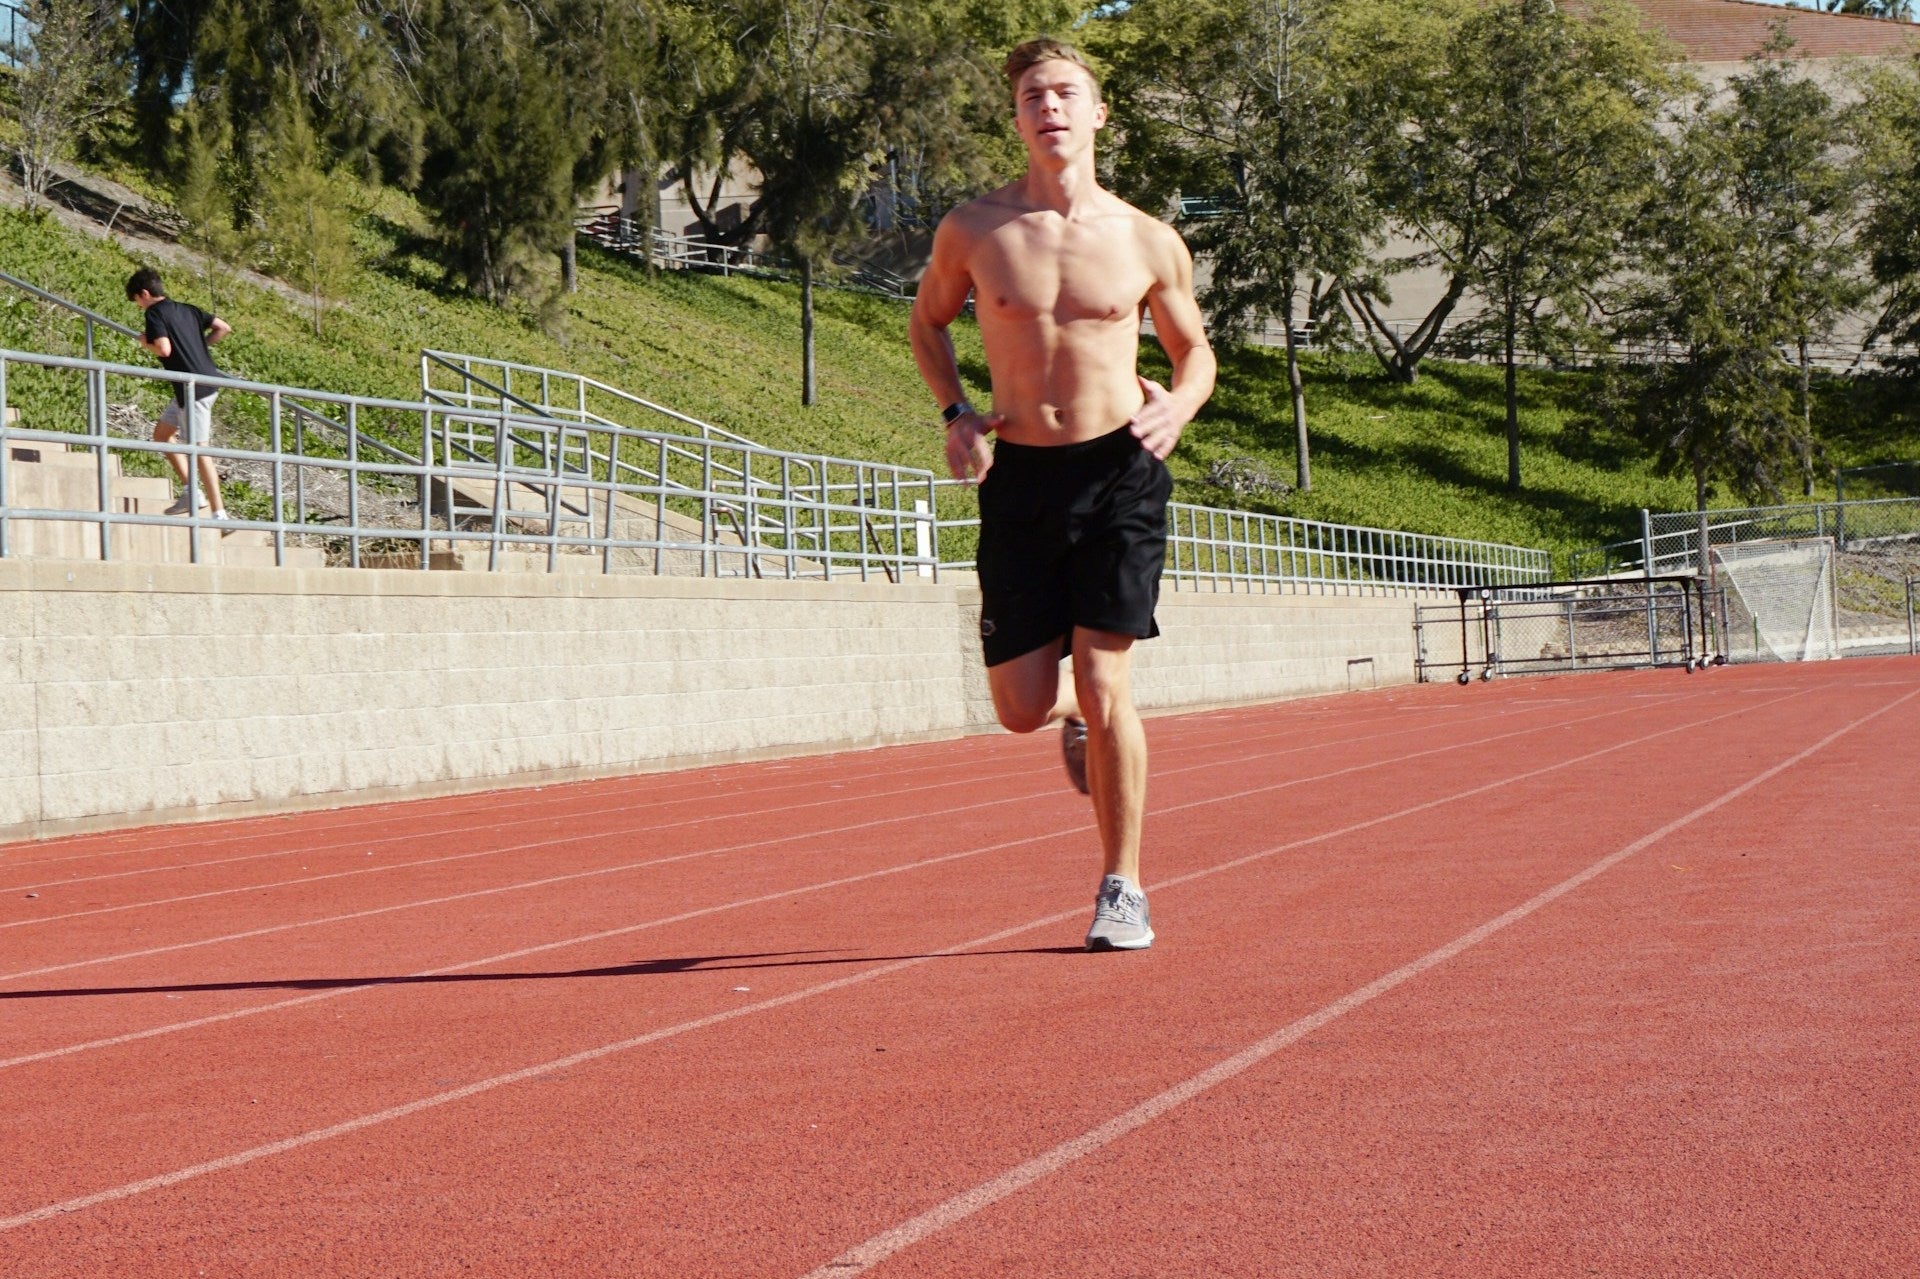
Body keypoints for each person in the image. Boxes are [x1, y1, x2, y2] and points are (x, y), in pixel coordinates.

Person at [909, 37, 1216, 951]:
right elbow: (927, 324)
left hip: (1120, 469)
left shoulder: (1147, 239)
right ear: (1018, 117)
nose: (1050, 106)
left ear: (1097, 113)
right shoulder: (975, 229)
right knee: (1016, 707)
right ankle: (1074, 714)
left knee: (1109, 673)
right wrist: (955, 411)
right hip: (1019, 477)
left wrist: (1181, 409)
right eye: (1034, 94)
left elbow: (1193, 353)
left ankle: (1122, 886)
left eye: (1066, 92)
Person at [125, 267, 231, 518]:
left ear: (145, 293)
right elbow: (223, 328)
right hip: (202, 383)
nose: (139, 306)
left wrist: (144, 342)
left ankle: (220, 513)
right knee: (162, 435)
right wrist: (197, 346)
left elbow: (163, 349)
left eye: (137, 301)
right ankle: (191, 493)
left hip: (193, 389)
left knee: (199, 449)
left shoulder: (154, 314)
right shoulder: (189, 309)